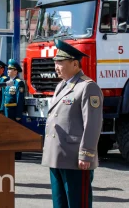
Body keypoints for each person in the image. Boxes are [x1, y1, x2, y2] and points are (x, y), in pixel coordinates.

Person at [42, 39, 103, 208]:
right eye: (55, 63)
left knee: (77, 203)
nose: (56, 67)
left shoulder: (87, 87)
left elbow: (93, 123)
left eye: (60, 62)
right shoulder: (61, 86)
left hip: (75, 159)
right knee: (59, 203)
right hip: (57, 156)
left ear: (75, 64)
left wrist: (86, 154)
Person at [1, 59, 25, 160]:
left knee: (15, 132)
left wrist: (19, 114)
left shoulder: (19, 83)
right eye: (8, 69)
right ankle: (9, 151)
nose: (8, 70)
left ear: (16, 71)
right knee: (8, 132)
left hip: (14, 110)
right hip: (6, 110)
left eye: (10, 69)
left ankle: (17, 153)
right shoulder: (7, 82)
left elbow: (20, 99)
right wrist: (2, 109)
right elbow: (4, 96)